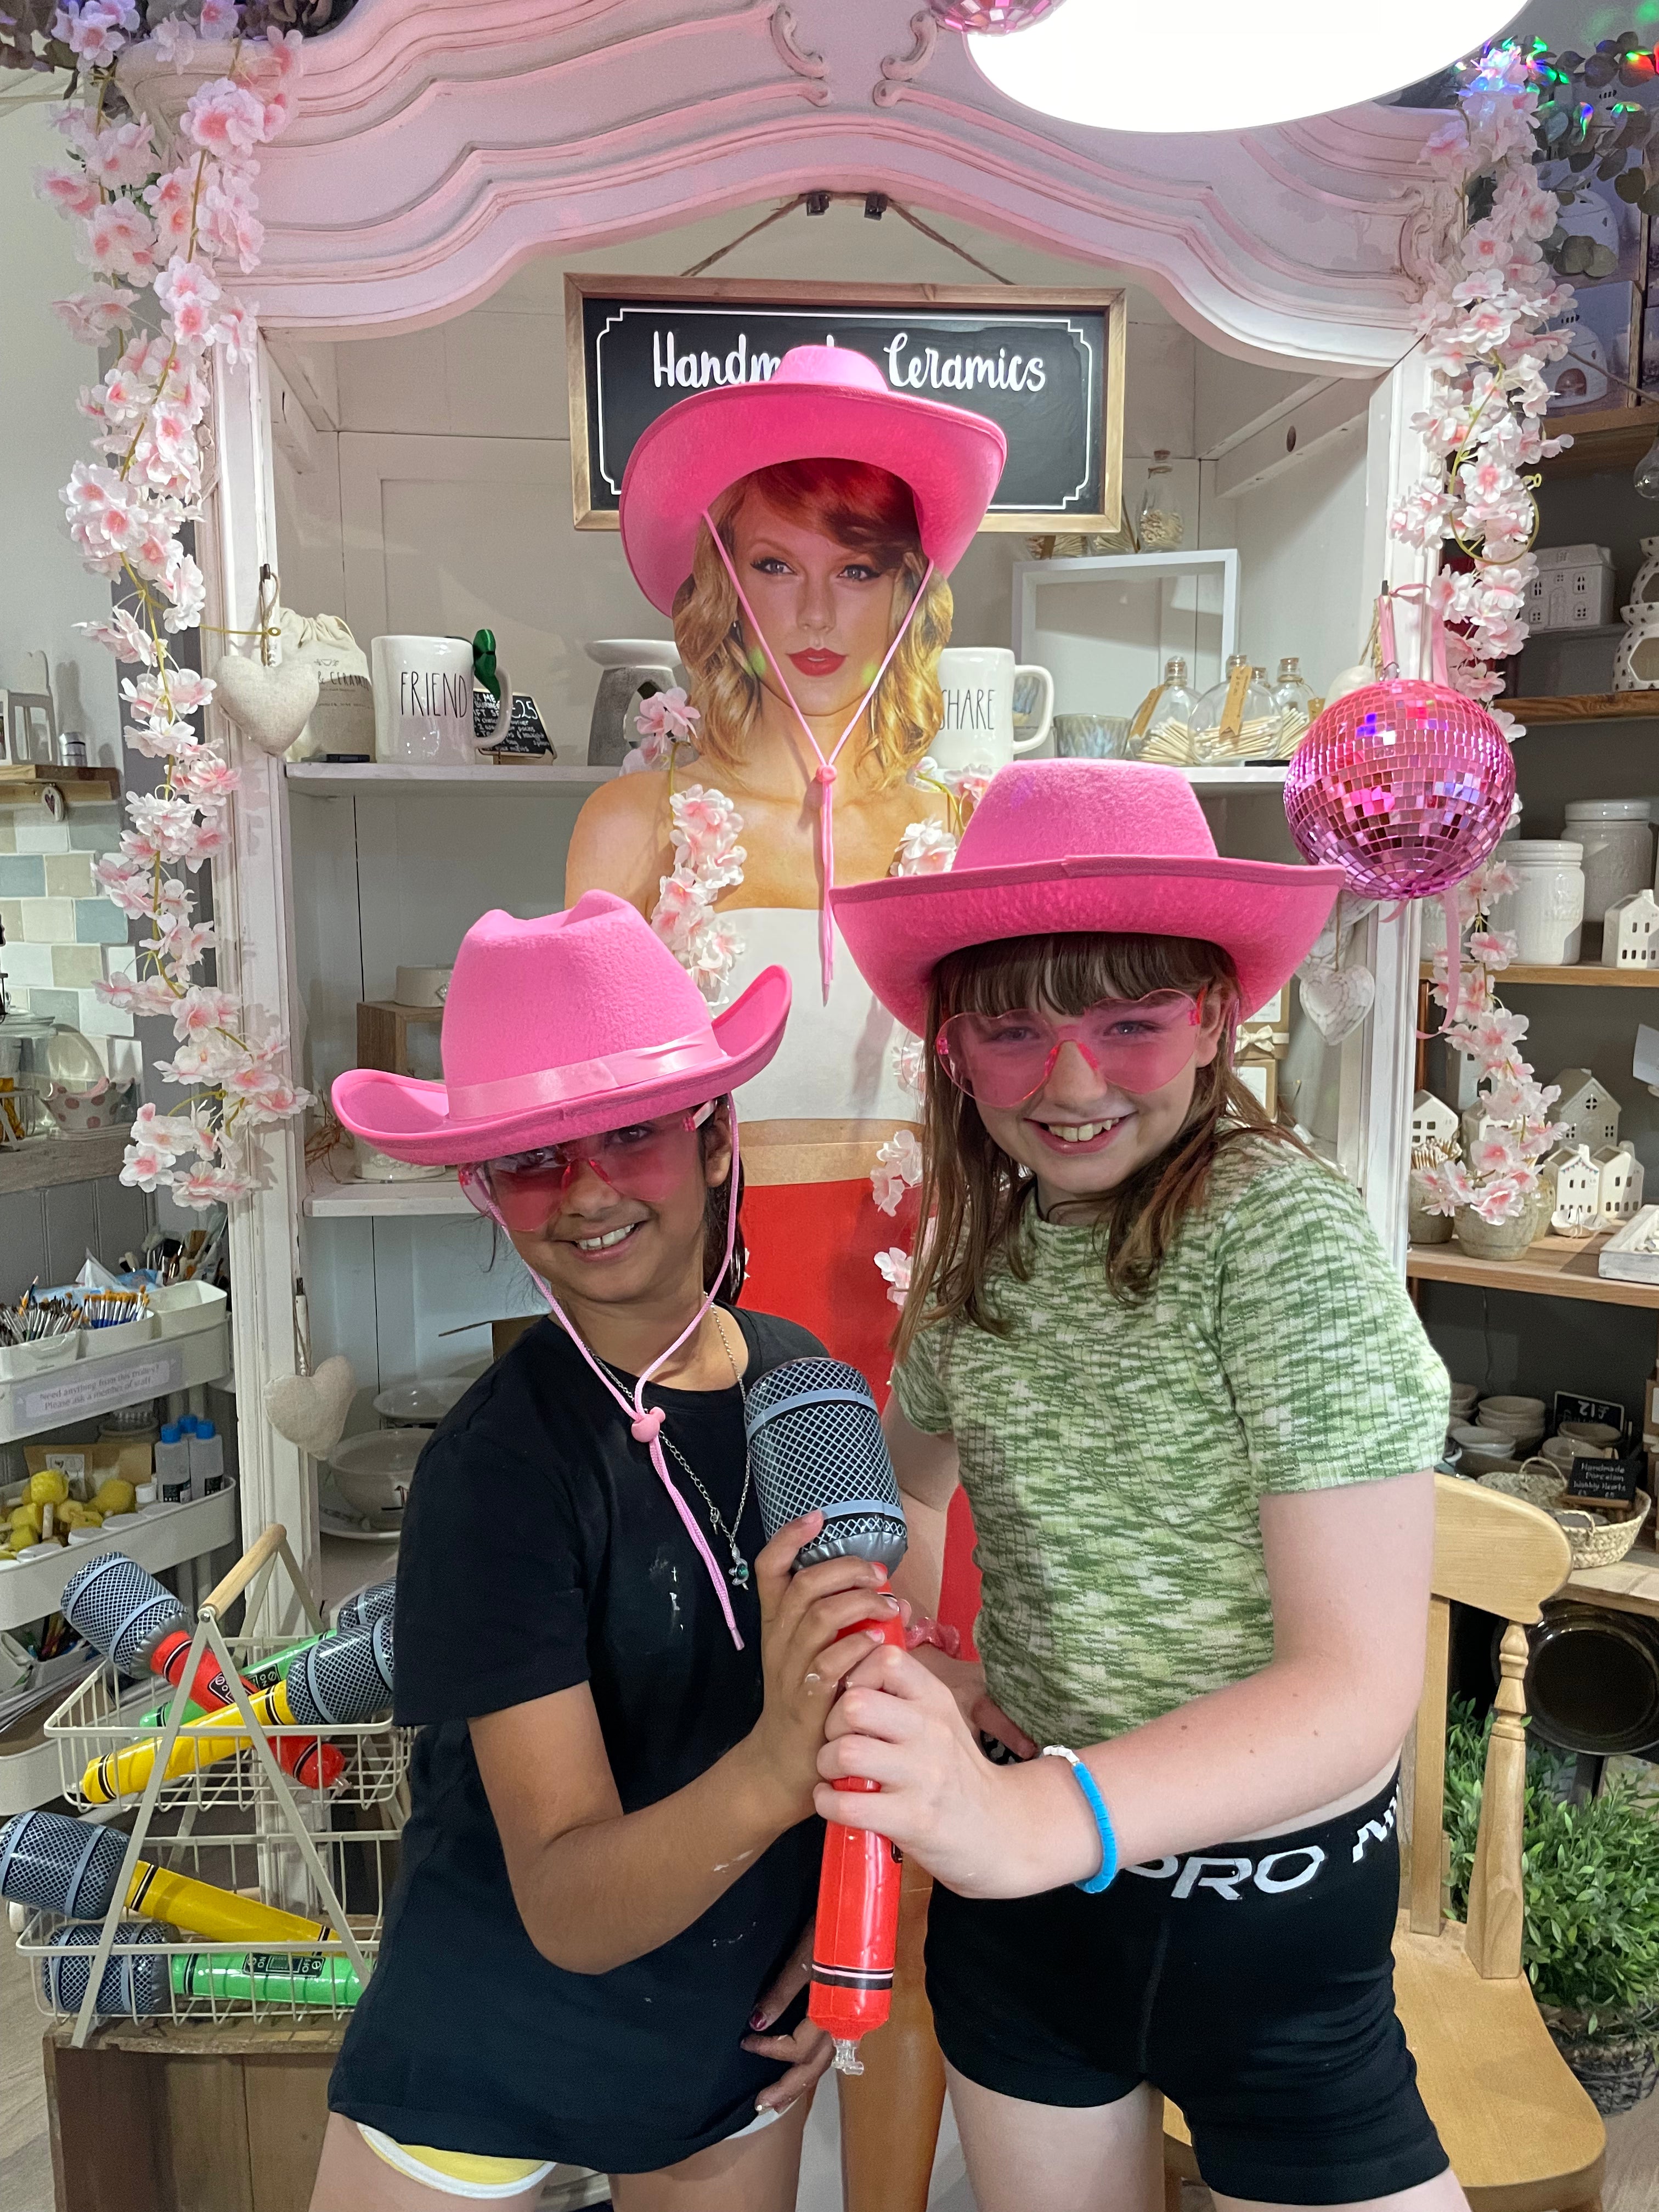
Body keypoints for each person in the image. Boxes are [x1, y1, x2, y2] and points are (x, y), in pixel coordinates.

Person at [821, 759, 1460, 2212]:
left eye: (1130, 1022)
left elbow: (1357, 1684)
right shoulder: (978, 1256)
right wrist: (929, 1659)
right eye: (1014, 1030)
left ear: (1217, 1018)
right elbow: (911, 1486)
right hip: (1033, 1940)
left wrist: (1031, 1825)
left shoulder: (1282, 1243)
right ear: (950, 1045)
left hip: (1269, 1918)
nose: (1071, 1081)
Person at [313, 891, 899, 2212]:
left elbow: (861, 1702)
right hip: (487, 2046)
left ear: (712, 1138)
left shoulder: (808, 1392)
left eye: (630, 1134)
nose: (585, 1191)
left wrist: (839, 1909)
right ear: (484, 1190)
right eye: (533, 1158)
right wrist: (777, 1767)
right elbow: (568, 1906)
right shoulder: (497, 1473)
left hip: (722, 2049)